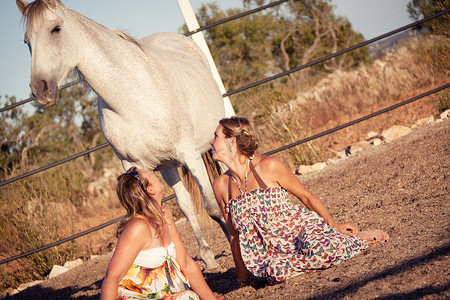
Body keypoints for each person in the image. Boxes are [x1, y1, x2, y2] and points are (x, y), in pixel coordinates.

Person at [210, 116, 389, 285]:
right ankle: (319, 252)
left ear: (231, 142)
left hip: (301, 231)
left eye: (216, 136)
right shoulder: (220, 185)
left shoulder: (268, 166)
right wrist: (243, 279)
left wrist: (332, 224)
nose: (211, 142)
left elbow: (305, 196)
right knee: (275, 272)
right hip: (272, 254)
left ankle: (350, 239)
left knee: (320, 250)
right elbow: (235, 236)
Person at [100, 167, 222, 300]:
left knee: (188, 296)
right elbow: (112, 277)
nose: (154, 173)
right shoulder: (138, 227)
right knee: (187, 297)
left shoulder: (166, 216)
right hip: (133, 295)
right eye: (149, 174)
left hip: (159, 295)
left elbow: (186, 263)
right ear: (150, 189)